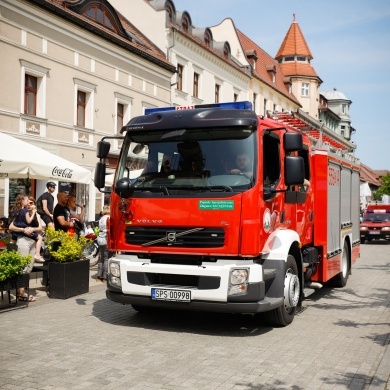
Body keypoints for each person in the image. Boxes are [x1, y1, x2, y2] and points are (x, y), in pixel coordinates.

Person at [9, 194, 44, 302]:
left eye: (31, 202)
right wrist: (23, 230)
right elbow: (11, 227)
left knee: (28, 268)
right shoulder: (21, 212)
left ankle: (22, 292)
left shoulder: (35, 214)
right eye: (28, 202)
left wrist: (31, 228)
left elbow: (40, 228)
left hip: (33, 242)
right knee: (23, 267)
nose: (29, 204)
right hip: (23, 241)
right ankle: (21, 293)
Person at [96, 205, 113, 282]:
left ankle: (99, 275)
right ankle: (105, 276)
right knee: (106, 258)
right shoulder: (109, 218)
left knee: (101, 258)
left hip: (100, 239)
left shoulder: (101, 218)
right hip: (106, 239)